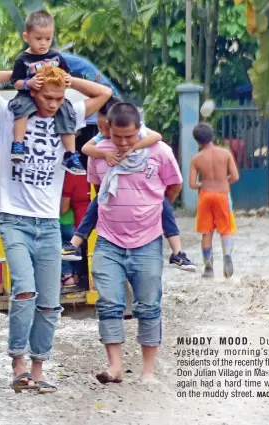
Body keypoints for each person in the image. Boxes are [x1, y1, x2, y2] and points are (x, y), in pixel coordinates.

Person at [0, 66, 112, 393]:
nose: (53, 103)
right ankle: (18, 361)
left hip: (47, 223)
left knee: (49, 302)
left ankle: (38, 367)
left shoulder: (68, 116)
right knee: (25, 290)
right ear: (34, 92)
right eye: (47, 96)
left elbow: (103, 95)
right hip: (14, 218)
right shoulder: (10, 113)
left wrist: (67, 81)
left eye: (59, 98)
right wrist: (19, 73)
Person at [86, 102, 183, 385]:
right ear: (109, 131)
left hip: (148, 241)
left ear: (139, 128)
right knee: (108, 303)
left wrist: (152, 207)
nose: (124, 142)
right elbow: (98, 190)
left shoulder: (160, 152)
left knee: (149, 305)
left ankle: (148, 371)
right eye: (118, 137)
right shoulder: (99, 154)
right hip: (108, 241)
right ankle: (114, 367)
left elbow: (173, 186)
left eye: (130, 136)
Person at [61, 97, 196, 272]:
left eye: (104, 127)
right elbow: (86, 149)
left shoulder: (140, 134)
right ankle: (75, 243)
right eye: (102, 127)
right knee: (96, 207)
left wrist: (133, 147)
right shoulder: (103, 137)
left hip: (148, 204)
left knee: (164, 208)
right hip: (109, 192)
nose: (104, 131)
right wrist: (105, 154)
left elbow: (156, 137)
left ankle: (177, 252)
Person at [8, 11, 84, 175]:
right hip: (28, 94)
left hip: (52, 96)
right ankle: (18, 145)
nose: (43, 43)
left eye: (48, 39)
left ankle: (71, 154)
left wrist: (68, 80)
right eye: (38, 38)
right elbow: (15, 82)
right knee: (20, 109)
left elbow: (66, 74)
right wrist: (29, 83)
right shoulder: (22, 59)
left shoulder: (56, 56)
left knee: (67, 113)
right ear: (26, 37)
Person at [189, 122, 240, 279]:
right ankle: (227, 257)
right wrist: (223, 180)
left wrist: (203, 184)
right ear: (212, 136)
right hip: (222, 195)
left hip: (205, 196)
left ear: (197, 141)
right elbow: (235, 176)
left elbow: (192, 184)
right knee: (226, 231)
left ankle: (208, 267)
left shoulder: (196, 159)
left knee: (206, 231)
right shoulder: (225, 154)